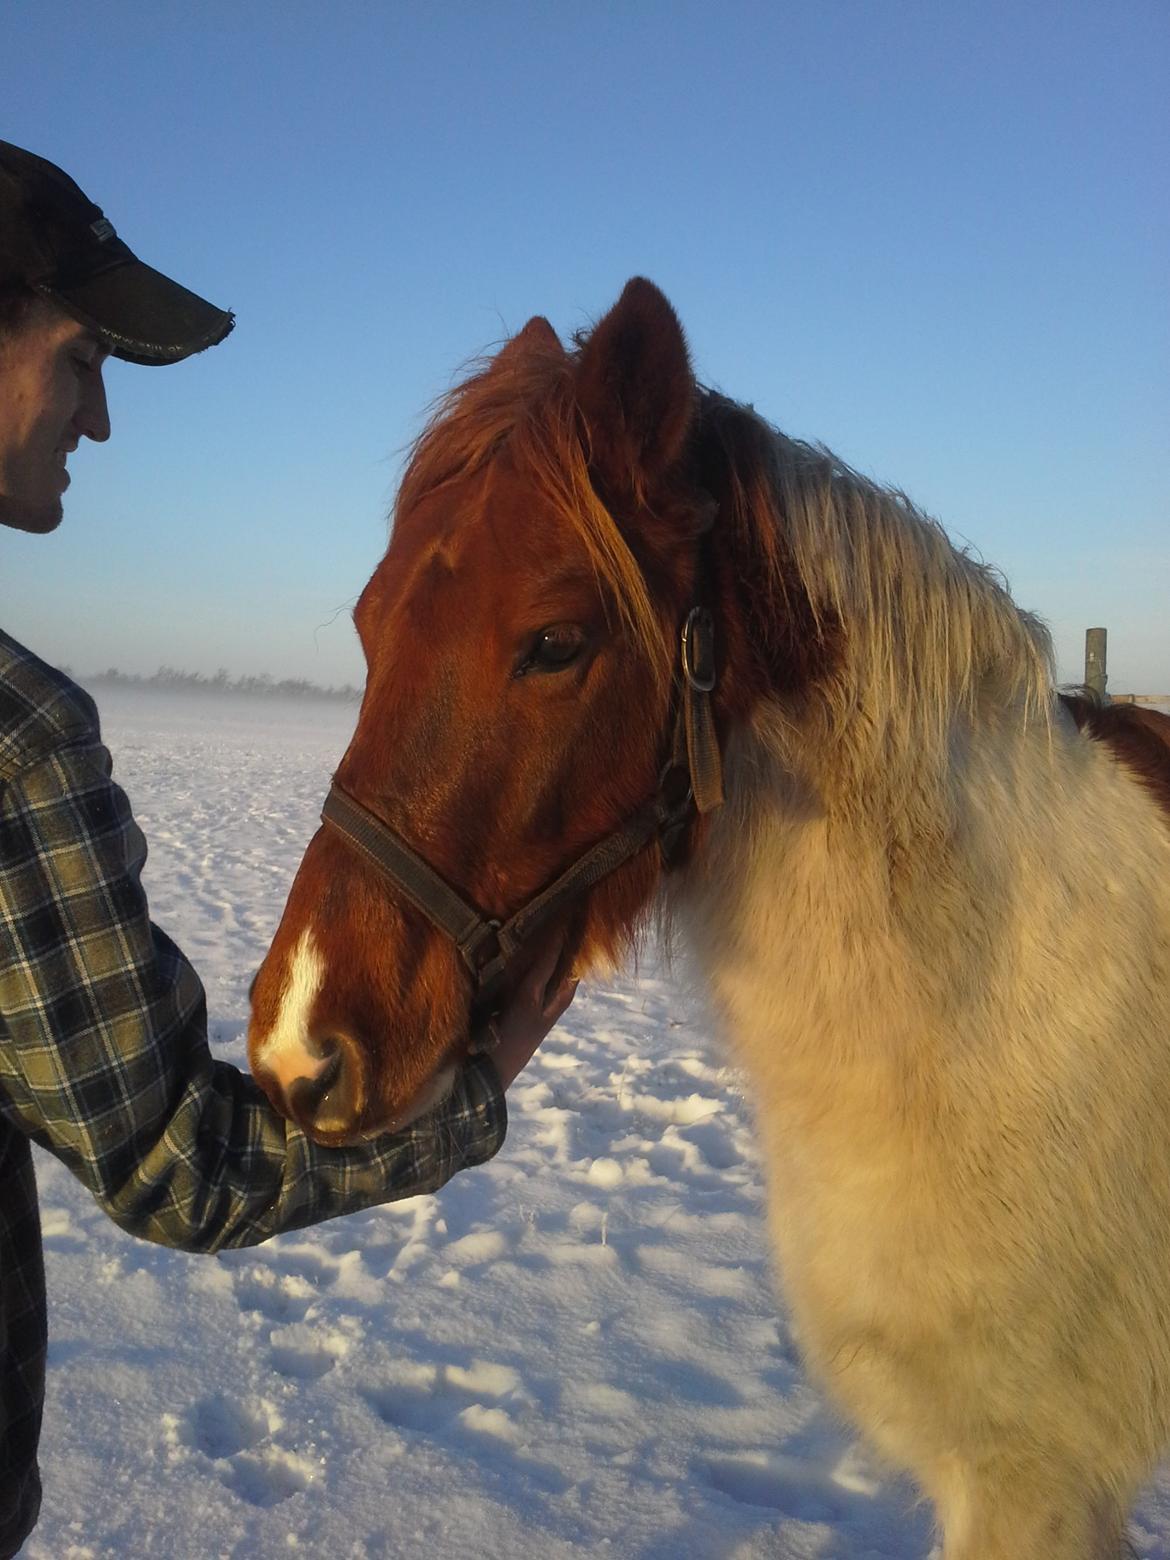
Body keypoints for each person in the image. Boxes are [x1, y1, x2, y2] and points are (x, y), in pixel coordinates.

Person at [0, 140, 577, 1557]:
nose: (100, 417)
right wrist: (475, 1085)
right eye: (81, 360)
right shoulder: (14, 741)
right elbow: (170, 1159)